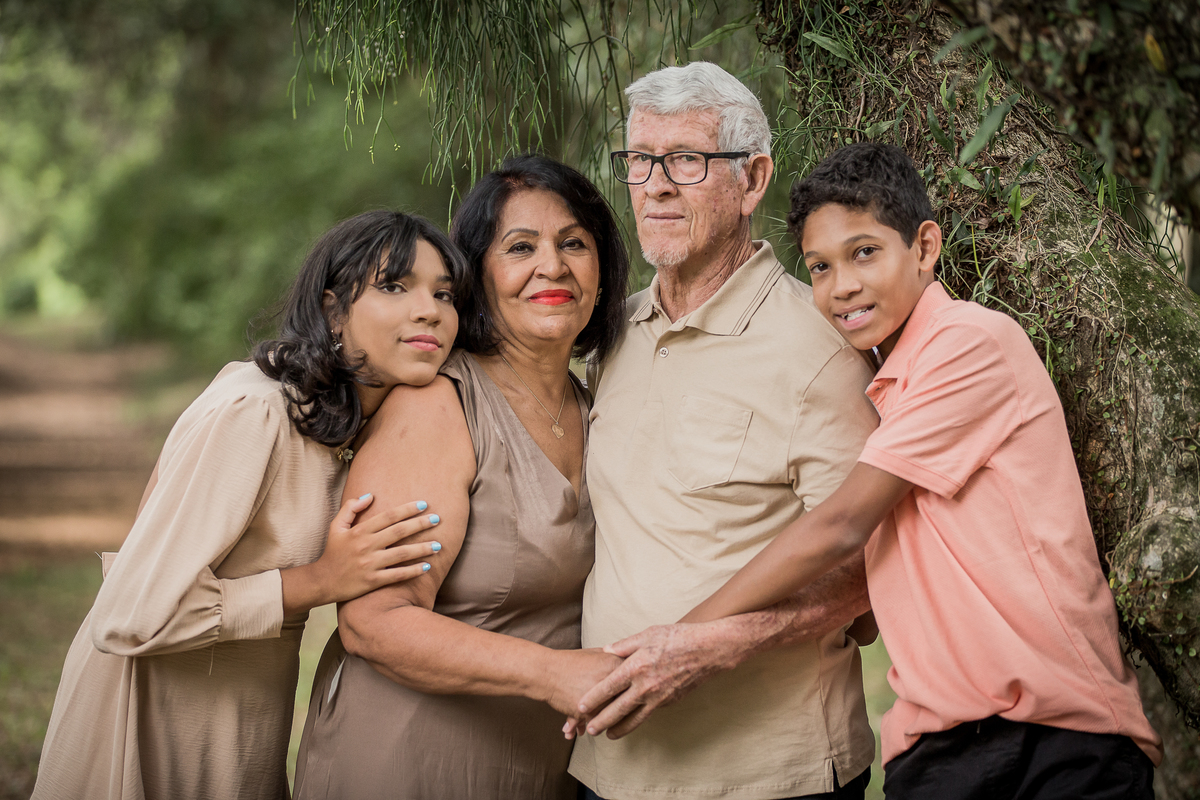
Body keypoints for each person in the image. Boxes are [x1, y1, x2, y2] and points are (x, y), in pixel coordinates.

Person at [681, 142, 1163, 798]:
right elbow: (869, 616)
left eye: (864, 252)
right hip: (934, 750)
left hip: (1057, 738)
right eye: (820, 267)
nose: (841, 286)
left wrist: (683, 639)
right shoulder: (882, 388)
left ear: (925, 248)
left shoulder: (969, 342)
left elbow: (842, 525)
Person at [32, 210, 467, 800]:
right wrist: (320, 581)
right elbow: (129, 614)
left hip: (244, 727)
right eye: (394, 286)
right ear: (334, 310)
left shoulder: (362, 425)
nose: (430, 311)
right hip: (153, 718)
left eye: (444, 294)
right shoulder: (256, 412)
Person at [569, 62, 880, 800]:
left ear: (753, 179)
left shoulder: (821, 348)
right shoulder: (613, 332)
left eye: (686, 159)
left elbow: (870, 569)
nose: (655, 186)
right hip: (607, 770)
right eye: (640, 160)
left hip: (768, 777)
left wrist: (707, 648)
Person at [292, 154, 632, 800]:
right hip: (406, 766)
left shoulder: (598, 405)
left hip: (535, 772)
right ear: (477, 274)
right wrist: (553, 674)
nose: (552, 266)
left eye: (574, 244)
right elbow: (374, 620)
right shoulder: (437, 406)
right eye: (520, 247)